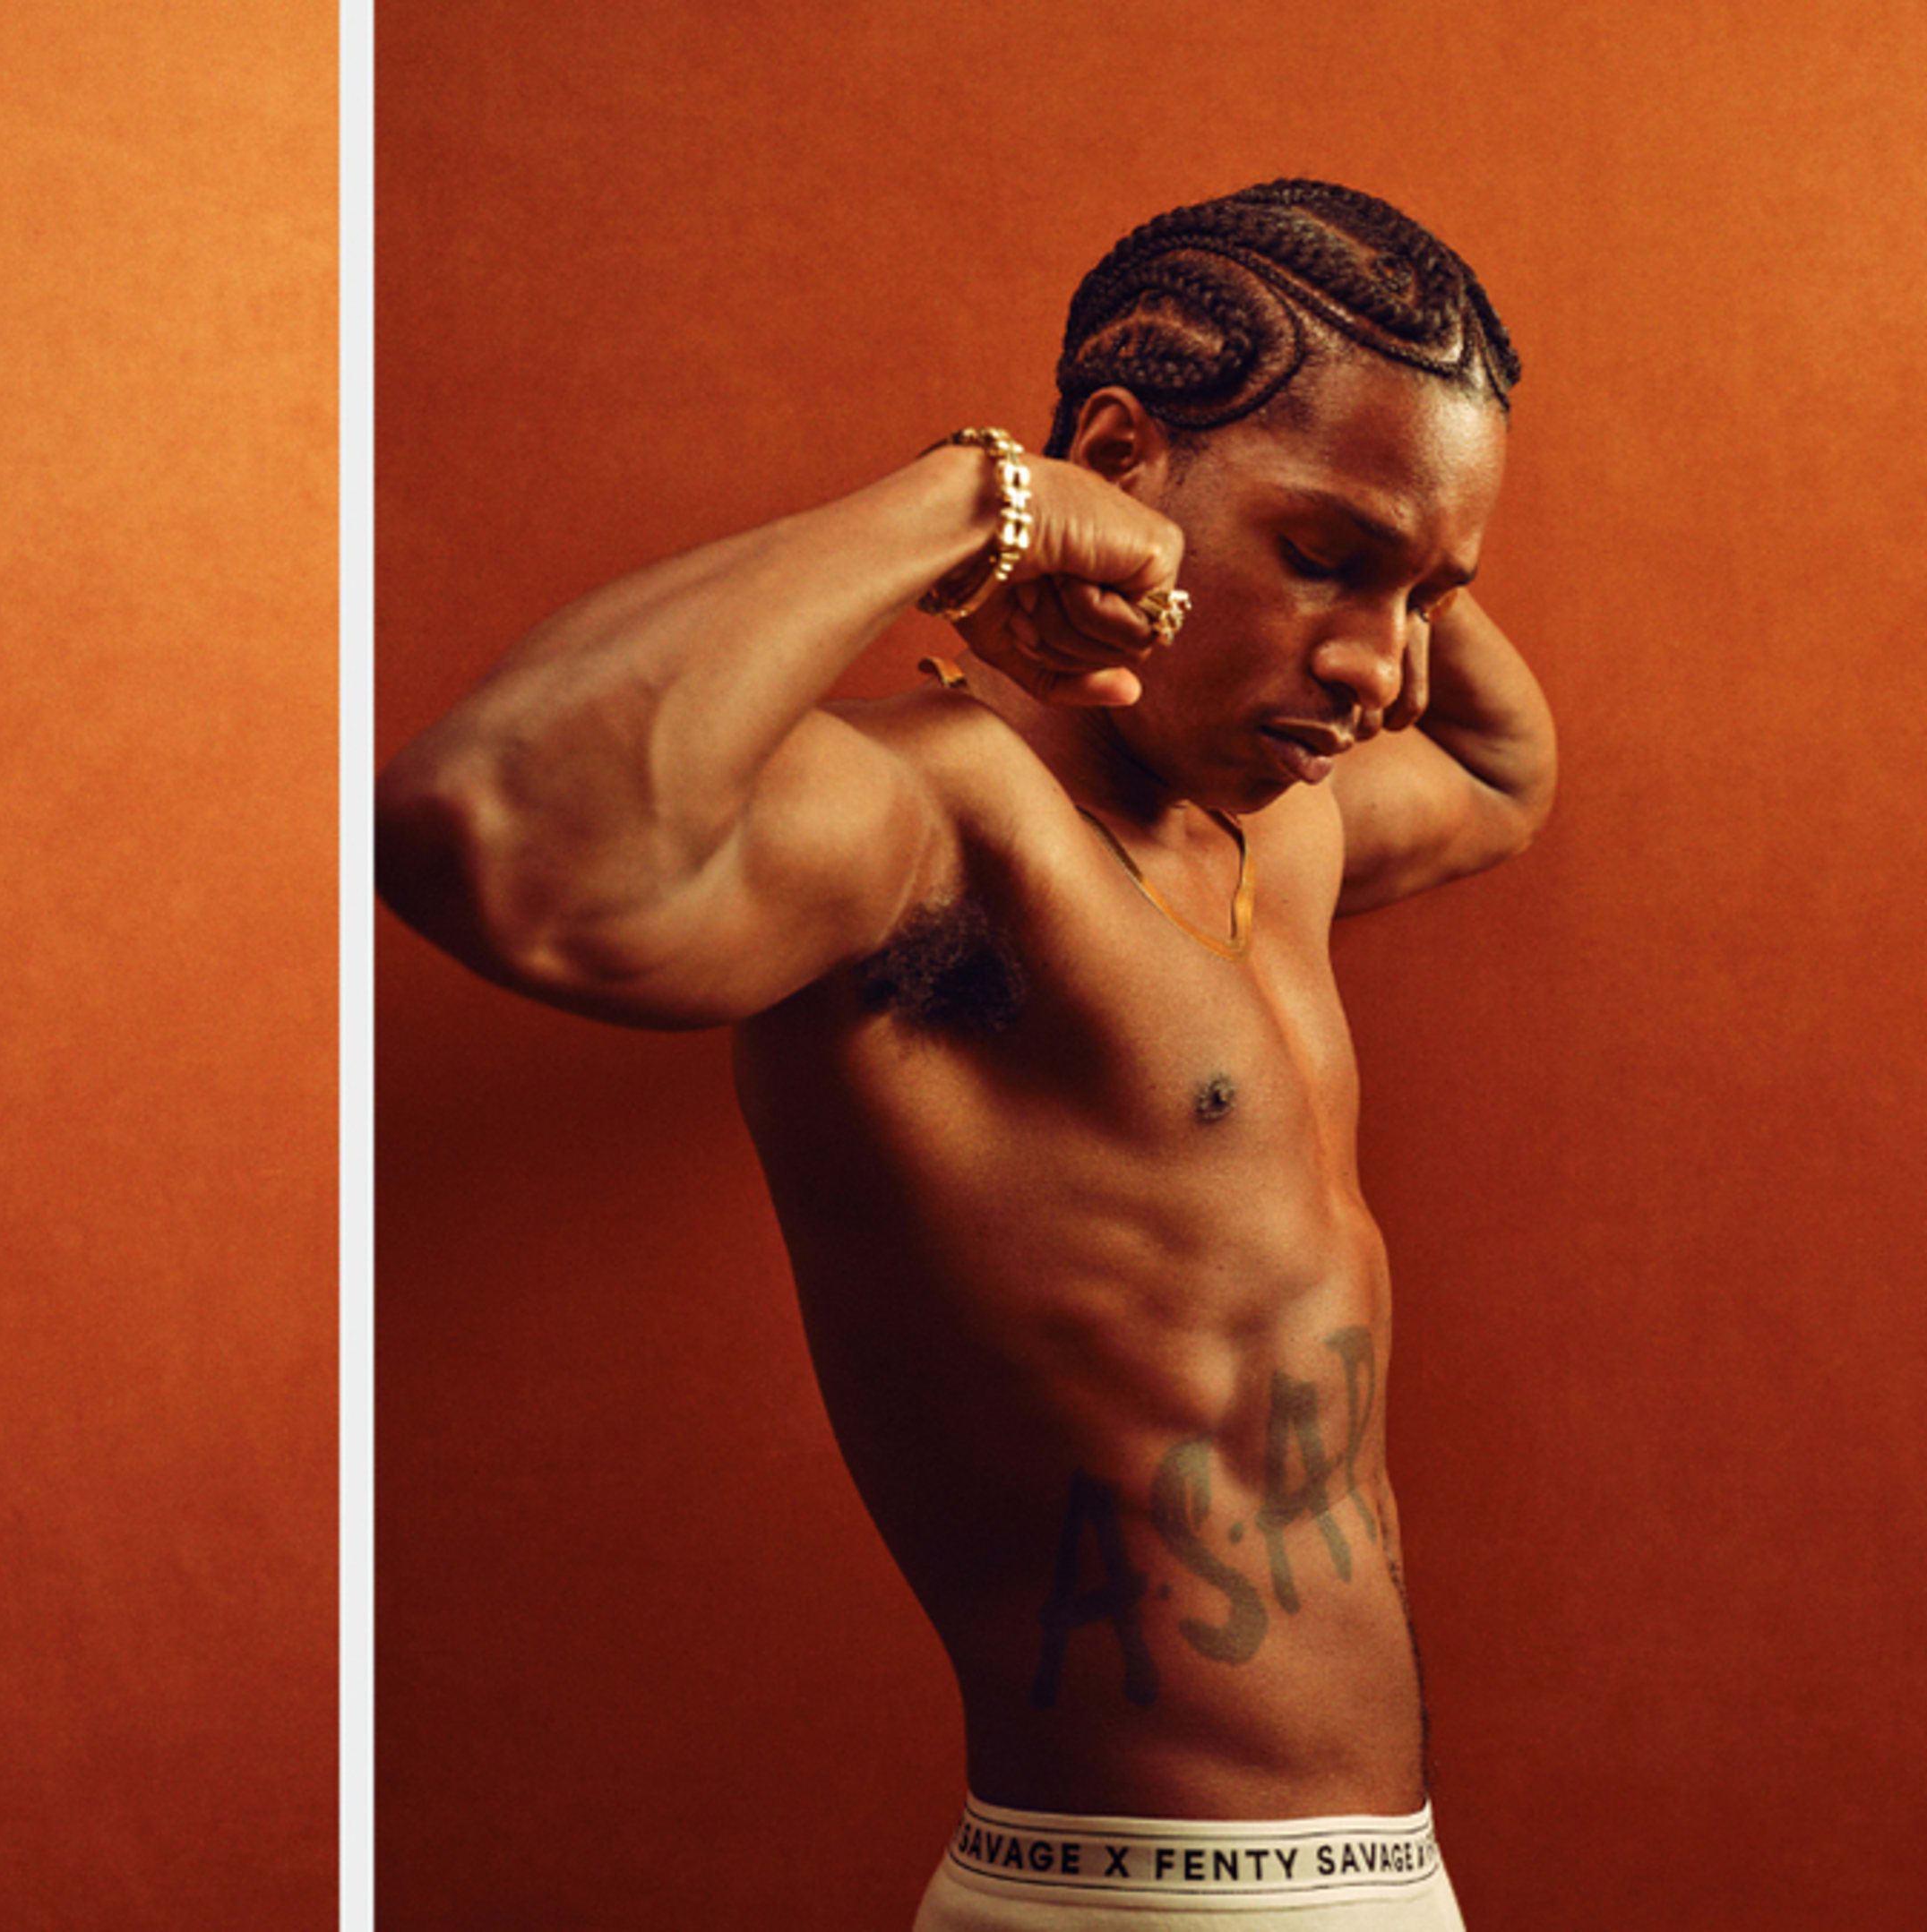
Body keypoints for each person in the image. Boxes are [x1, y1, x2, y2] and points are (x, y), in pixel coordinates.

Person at [377, 181, 1548, 1930]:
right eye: (1325, 557)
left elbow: (1506, 776)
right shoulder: (939, 826)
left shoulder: (1275, 836)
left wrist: (1395, 540)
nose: (1382, 668)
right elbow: (488, 832)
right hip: (1149, 1897)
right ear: (1118, 456)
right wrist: (970, 508)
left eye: (1426, 593)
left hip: (1382, 1879)